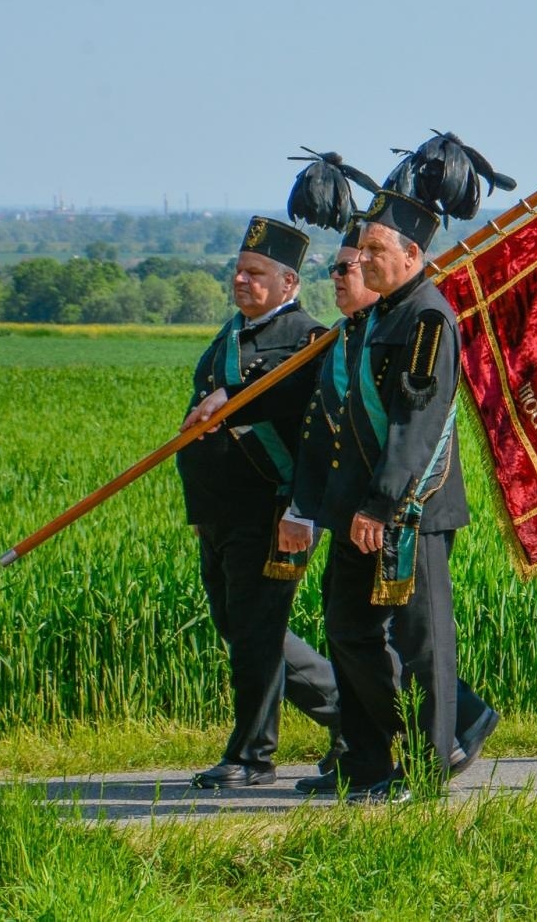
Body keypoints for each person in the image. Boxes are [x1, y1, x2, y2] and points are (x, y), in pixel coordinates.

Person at [270, 224, 499, 795]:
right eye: (362, 251)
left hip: (406, 510)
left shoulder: (427, 318)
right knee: (348, 628)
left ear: (412, 253)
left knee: (422, 644)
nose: (364, 260)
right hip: (357, 511)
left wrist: (380, 505)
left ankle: (428, 767)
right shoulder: (377, 316)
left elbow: (415, 423)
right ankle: (366, 760)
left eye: (376, 250)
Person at [175, 215, 343, 790]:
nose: (241, 281)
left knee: (255, 629)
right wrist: (201, 508)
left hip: (273, 510)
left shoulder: (308, 342)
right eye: (238, 271)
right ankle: (350, 713)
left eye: (256, 273)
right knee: (239, 624)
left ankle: (252, 756)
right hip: (221, 511)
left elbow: (312, 434)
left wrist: (301, 512)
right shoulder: (228, 337)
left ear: (289, 282)